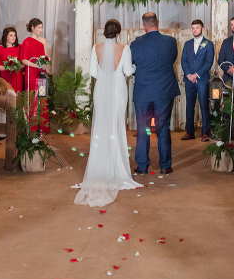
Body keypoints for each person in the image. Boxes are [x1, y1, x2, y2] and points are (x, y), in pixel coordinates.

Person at [75, 19, 143, 207]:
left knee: (101, 127)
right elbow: (128, 71)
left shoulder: (96, 48)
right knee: (116, 126)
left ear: (105, 32)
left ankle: (99, 168)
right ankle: (115, 167)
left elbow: (93, 72)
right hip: (118, 90)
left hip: (101, 89)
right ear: (119, 33)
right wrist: (134, 68)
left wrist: (105, 78)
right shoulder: (125, 48)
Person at [130, 12, 180, 175]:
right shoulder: (171, 42)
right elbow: (172, 60)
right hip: (164, 90)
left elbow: (132, 65)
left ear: (143, 26)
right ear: (158, 22)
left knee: (143, 128)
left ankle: (142, 166)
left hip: (143, 91)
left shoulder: (135, 44)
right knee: (163, 127)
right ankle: (165, 165)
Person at [181, 19, 215, 142]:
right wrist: (189, 75)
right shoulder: (187, 44)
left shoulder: (208, 44)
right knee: (189, 106)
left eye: (197, 27)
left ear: (202, 29)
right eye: (193, 28)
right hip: (189, 79)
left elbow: (208, 63)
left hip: (202, 80)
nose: (195, 30)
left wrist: (196, 75)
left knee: (204, 105)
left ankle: (205, 132)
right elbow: (183, 60)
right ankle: (189, 131)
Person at [20, 18, 50, 132]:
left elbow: (45, 57)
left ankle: (42, 126)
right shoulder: (26, 41)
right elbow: (23, 60)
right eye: (38, 27)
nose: (40, 30)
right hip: (31, 73)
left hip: (41, 72)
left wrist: (44, 65)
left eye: (41, 27)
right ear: (32, 28)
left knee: (42, 96)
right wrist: (36, 65)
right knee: (32, 96)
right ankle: (31, 126)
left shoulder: (43, 40)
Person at [0, 26, 24, 94]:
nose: (13, 37)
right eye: (11, 35)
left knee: (17, 95)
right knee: (6, 95)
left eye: (15, 35)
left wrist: (16, 67)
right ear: (5, 36)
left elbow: (24, 63)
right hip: (5, 76)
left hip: (17, 76)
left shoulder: (19, 47)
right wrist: (7, 68)